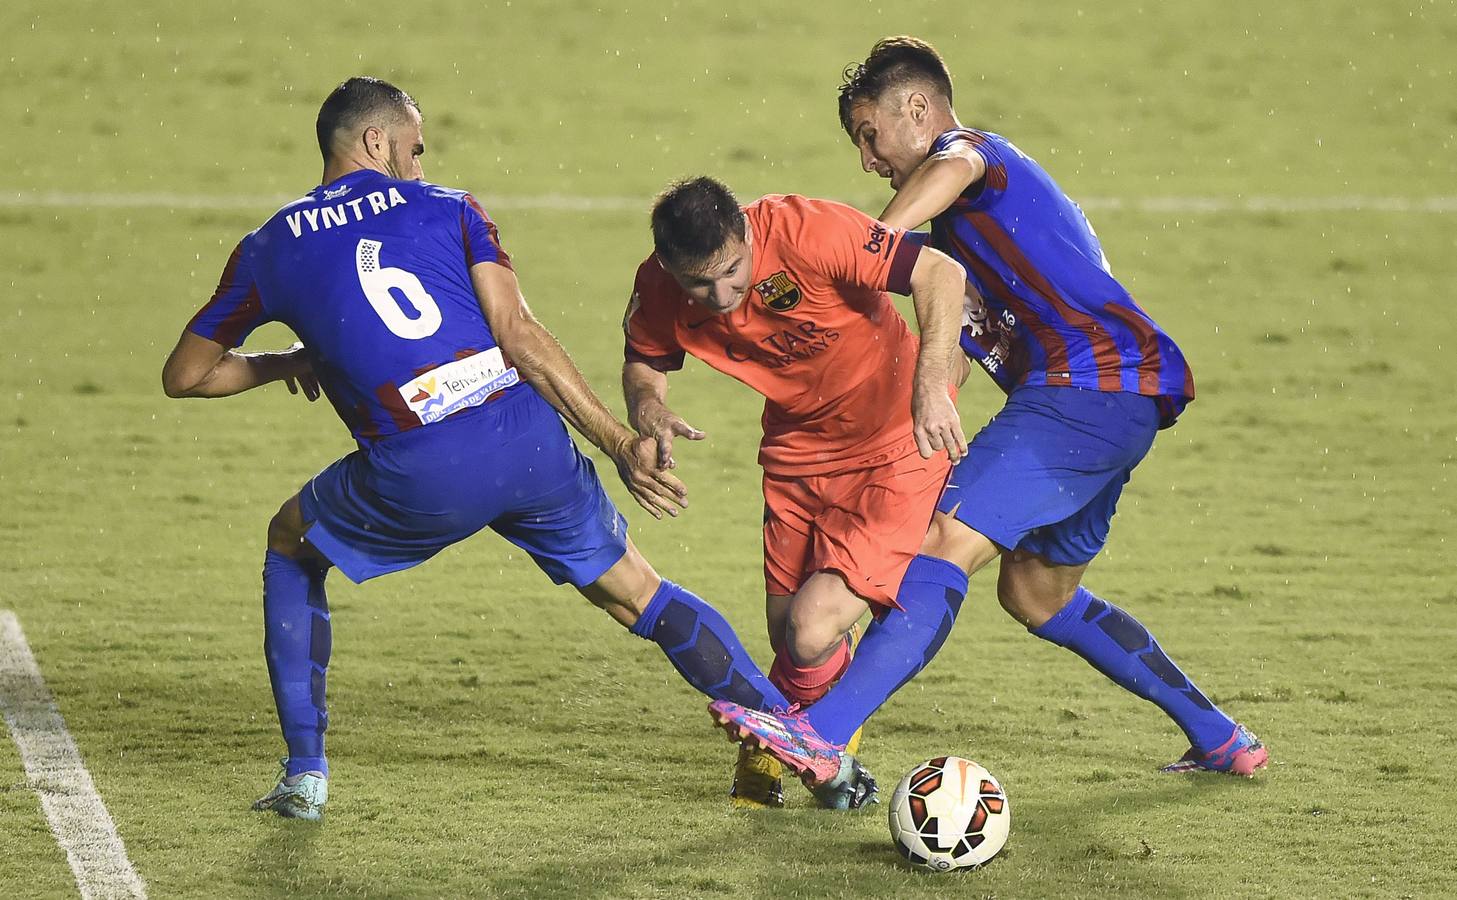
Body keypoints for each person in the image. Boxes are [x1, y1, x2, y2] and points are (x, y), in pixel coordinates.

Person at [162, 77, 796, 822]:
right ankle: (799, 741)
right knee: (641, 596)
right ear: (375, 143)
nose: (421, 164)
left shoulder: (268, 246)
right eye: (415, 148)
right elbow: (519, 336)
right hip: (527, 444)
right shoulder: (453, 207)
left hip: (417, 472)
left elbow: (187, 376)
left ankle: (305, 774)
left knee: (290, 544)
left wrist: (284, 361)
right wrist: (619, 440)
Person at [710, 36, 1267, 789]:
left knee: (944, 543)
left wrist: (869, 246)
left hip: (1086, 388)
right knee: (1035, 593)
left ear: (916, 109)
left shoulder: (974, 156)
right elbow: (952, 354)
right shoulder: (955, 248)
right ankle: (1222, 737)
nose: (867, 160)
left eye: (869, 136)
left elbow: (955, 166)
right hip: (1115, 401)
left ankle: (821, 735)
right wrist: (917, 419)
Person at [622, 176, 969, 808]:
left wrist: (930, 384)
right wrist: (648, 412)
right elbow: (644, 360)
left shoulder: (810, 232)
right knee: (789, 636)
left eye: (732, 270)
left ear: (746, 231)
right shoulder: (657, 287)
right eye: (700, 284)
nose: (723, 296)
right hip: (796, 452)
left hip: (896, 442)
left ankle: (817, 769)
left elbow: (940, 273)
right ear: (670, 268)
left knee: (811, 629)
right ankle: (809, 761)